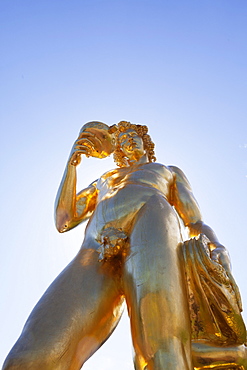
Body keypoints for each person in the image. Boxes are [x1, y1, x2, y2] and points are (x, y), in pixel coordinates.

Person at [3, 121, 246, 370]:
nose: (127, 140)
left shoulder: (167, 171)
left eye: (133, 135)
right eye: (122, 139)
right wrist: (72, 164)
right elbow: (64, 219)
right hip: (96, 250)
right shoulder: (103, 181)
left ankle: (221, 356)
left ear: (146, 144)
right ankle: (232, 355)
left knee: (158, 354)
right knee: (29, 357)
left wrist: (216, 244)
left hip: (151, 224)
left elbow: (194, 221)